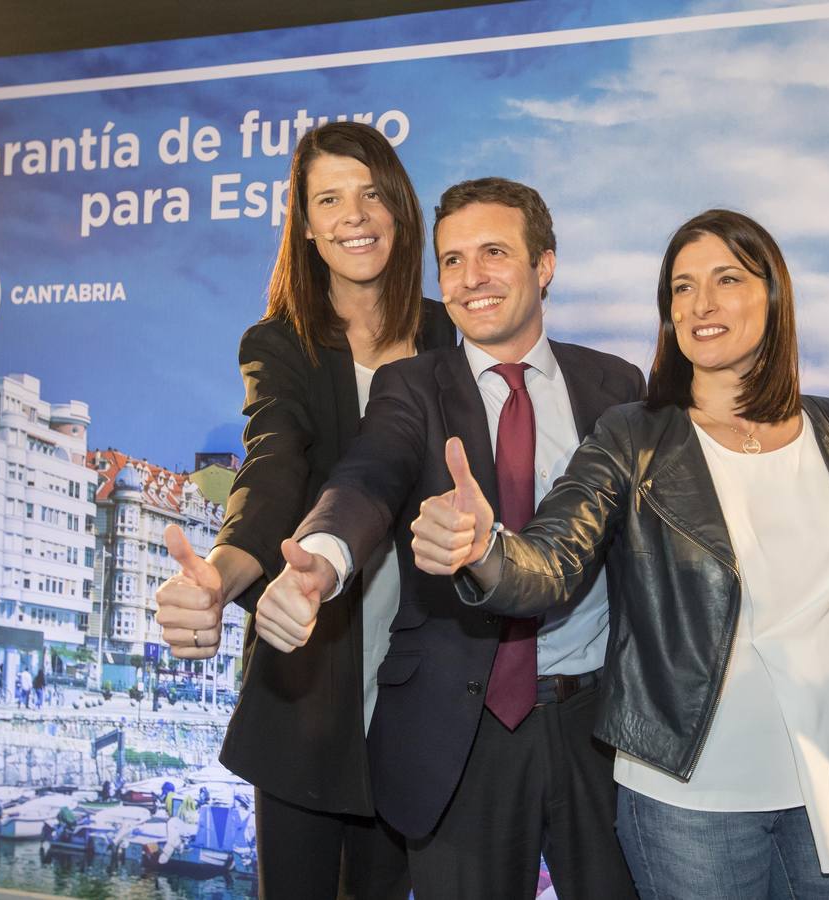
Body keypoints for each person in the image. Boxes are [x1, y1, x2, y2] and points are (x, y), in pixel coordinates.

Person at [410, 209, 829, 898]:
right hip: (691, 803)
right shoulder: (636, 435)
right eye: (681, 288)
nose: (701, 304)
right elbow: (554, 561)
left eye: (726, 279)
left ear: (774, 297)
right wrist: (486, 550)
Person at [252, 178, 643, 899]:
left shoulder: (617, 387)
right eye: (453, 261)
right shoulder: (412, 386)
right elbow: (365, 479)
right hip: (459, 735)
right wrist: (325, 561)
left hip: (597, 726)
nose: (470, 279)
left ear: (544, 265)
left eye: (493, 252)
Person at [152, 121, 455, 900]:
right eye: (330, 199)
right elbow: (273, 467)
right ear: (307, 225)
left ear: (400, 208)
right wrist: (219, 579)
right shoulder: (280, 343)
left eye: (371, 193)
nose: (354, 215)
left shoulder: (446, 336)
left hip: (421, 680)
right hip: (307, 679)